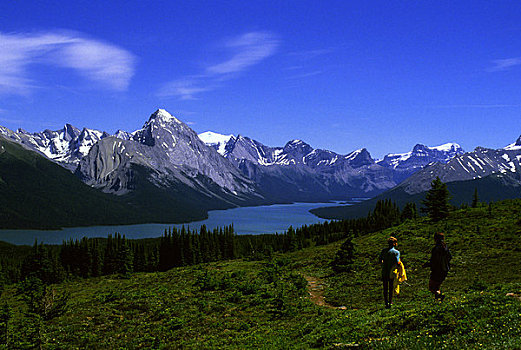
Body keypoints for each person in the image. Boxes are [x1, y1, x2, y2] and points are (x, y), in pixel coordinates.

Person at [423, 232, 452, 301]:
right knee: (437, 286)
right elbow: (450, 257)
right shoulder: (445, 247)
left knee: (432, 287)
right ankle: (438, 300)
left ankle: (440, 296)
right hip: (445, 269)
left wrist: (427, 265)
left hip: (437, 270)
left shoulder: (436, 249)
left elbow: (434, 260)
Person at [379, 236, 400, 309]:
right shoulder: (396, 252)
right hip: (391, 272)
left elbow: (380, 260)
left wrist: (383, 264)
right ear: (394, 243)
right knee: (391, 287)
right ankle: (390, 302)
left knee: (385, 287)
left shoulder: (384, 251)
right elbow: (398, 262)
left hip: (384, 271)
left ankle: (386, 302)